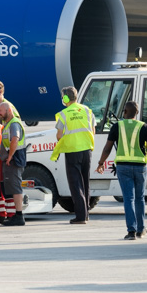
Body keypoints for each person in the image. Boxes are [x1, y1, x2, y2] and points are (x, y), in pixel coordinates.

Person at [96, 101, 147, 239]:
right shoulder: (144, 127)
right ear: (137, 113)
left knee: (128, 198)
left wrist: (100, 163)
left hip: (123, 167)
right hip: (140, 167)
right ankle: (141, 230)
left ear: (124, 112)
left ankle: (131, 232)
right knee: (140, 198)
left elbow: (107, 148)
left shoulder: (117, 126)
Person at [51, 86, 97, 224]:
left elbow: (59, 136)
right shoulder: (87, 111)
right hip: (87, 151)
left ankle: (81, 216)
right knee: (85, 182)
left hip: (72, 151)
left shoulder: (64, 114)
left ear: (65, 98)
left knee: (76, 184)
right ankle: (86, 213)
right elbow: (93, 131)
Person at [0, 101, 27, 226]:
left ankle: (19, 216)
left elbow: (15, 139)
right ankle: (17, 214)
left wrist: (9, 157)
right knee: (13, 187)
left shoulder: (14, 123)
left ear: (8, 110)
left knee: (16, 188)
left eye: (1, 111)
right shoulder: (9, 123)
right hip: (13, 159)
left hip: (14, 160)